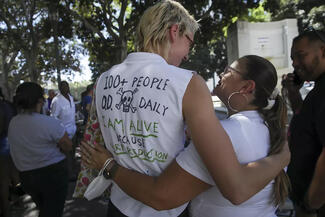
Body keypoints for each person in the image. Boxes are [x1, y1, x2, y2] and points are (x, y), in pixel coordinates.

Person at [75, 1, 290, 217]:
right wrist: (283, 157)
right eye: (189, 42)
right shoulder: (188, 83)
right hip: (167, 211)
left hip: (118, 205)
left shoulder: (104, 80)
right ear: (174, 31)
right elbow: (235, 186)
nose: (188, 54)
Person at [8, 82, 73, 217]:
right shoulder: (49, 123)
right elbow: (67, 145)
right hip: (52, 174)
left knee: (44, 209)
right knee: (52, 211)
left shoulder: (13, 123)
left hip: (26, 176)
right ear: (40, 101)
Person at [282, 28, 325, 217]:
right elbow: (307, 121)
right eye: (293, 58)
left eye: (301, 56)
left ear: (323, 51)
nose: (295, 63)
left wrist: (311, 204)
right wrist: (293, 92)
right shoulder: (318, 90)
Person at [0, 88, 19, 217]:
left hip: (3, 145)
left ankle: (6, 210)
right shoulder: (8, 105)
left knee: (3, 180)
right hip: (11, 144)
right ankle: (16, 201)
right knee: (13, 176)